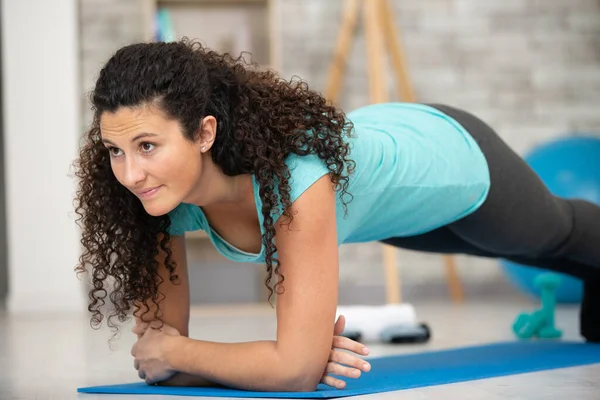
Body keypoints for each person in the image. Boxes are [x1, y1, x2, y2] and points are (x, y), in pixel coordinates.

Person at [73, 38, 599, 392]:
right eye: (115, 150)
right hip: (383, 203)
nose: (131, 173)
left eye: (147, 145)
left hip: (443, 156)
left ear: (205, 133)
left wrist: (275, 359)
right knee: (503, 246)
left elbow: (284, 370)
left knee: (550, 236)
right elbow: (160, 360)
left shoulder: (293, 180)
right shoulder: (151, 199)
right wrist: (259, 359)